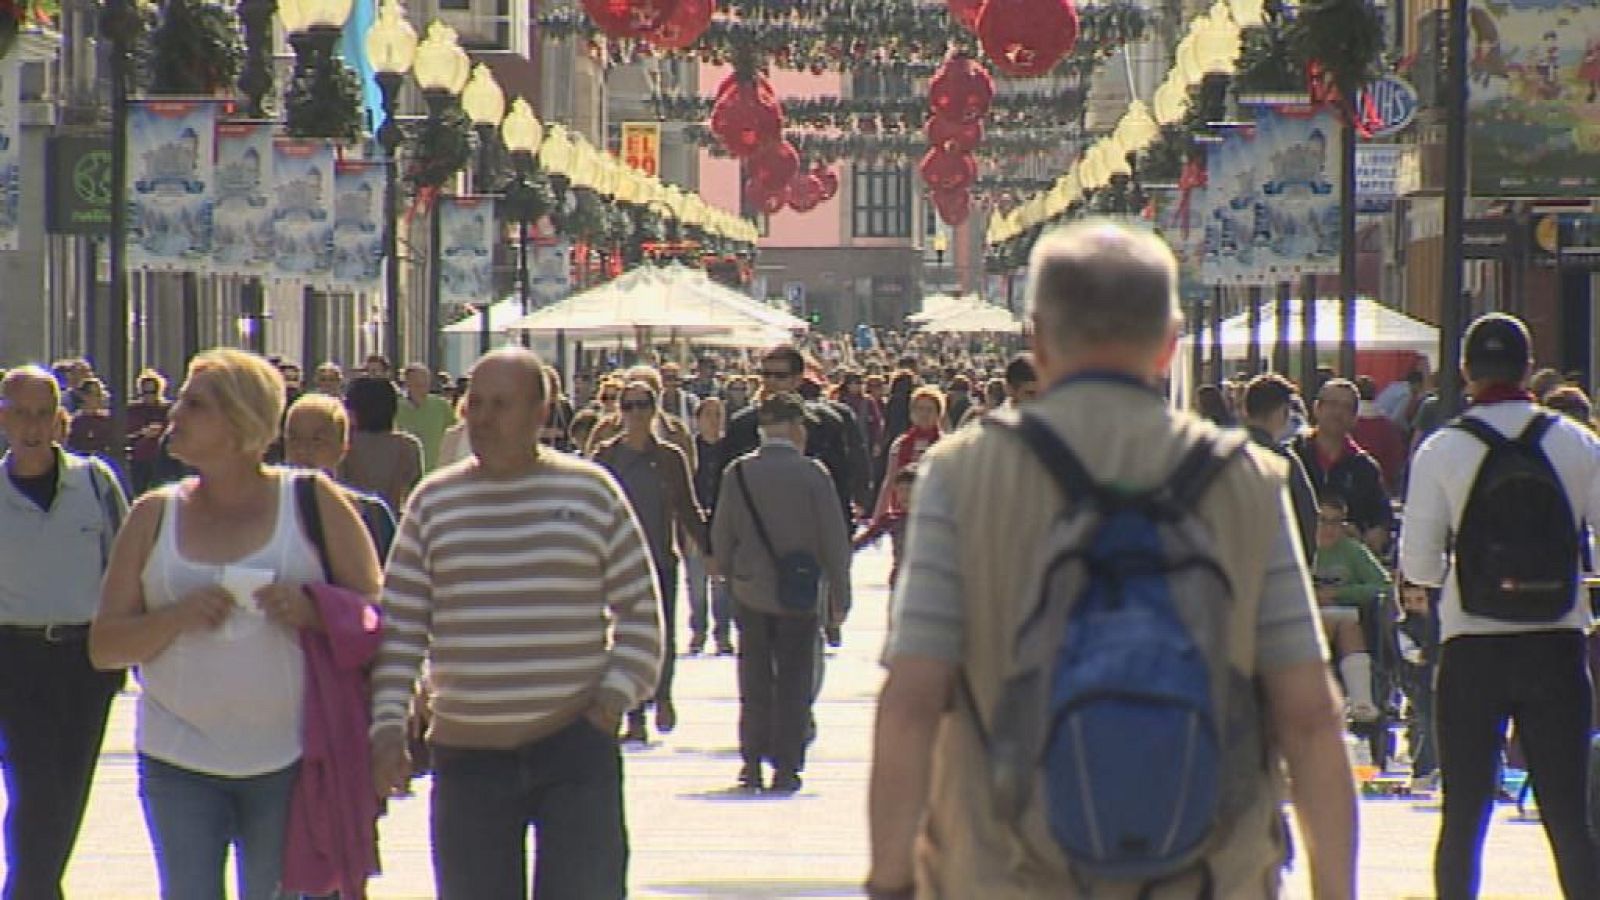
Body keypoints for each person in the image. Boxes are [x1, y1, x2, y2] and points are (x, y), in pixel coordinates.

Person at [867, 220, 1355, 899]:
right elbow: (1309, 717)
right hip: (1211, 878)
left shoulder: (962, 474)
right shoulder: (1245, 480)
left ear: (1037, 338)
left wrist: (890, 881)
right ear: (1171, 342)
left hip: (1001, 873)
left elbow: (913, 700)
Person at [88, 348, 381, 900]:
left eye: (195, 405)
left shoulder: (311, 501)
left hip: (290, 758)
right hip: (177, 757)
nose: (175, 413)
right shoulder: (153, 514)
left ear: (242, 421)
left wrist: (315, 611)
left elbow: (375, 609)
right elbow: (104, 646)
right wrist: (176, 617)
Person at [369, 347, 663, 899]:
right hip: (469, 758)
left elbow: (642, 617)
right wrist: (388, 727)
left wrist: (609, 703)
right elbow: (401, 630)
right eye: (475, 403)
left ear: (539, 412)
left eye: (500, 405)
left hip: (573, 748)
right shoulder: (434, 503)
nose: (482, 418)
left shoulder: (590, 492)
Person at [1401, 313, 1600, 899]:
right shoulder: (1576, 443)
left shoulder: (1442, 449)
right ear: (1529, 368)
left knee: (1463, 817)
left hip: (1472, 648)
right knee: (1569, 820)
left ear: (1466, 371)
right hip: (1556, 642)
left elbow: (1419, 566)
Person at [0, 366, 129, 900]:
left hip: (83, 660)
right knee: (37, 791)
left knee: (68, 793)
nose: (32, 427)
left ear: (60, 421)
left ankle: (32, 888)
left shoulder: (95, 484)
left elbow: (125, 568)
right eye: (20, 414)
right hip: (14, 660)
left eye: (43, 415)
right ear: (3, 419)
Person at [711, 392, 851, 794]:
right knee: (794, 679)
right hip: (799, 593)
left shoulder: (738, 473)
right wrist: (840, 595)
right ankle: (787, 765)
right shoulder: (813, 475)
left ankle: (752, 759)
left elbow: (722, 534)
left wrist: (728, 573)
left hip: (751, 590)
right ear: (793, 427)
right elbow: (834, 539)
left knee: (753, 677)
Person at [593, 380, 708, 744]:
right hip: (618, 562)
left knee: (662, 634)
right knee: (624, 635)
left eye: (643, 405)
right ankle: (635, 713)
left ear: (655, 410)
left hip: (660, 558)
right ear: (619, 412)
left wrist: (710, 551)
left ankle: (662, 694)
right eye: (628, 406)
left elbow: (687, 507)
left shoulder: (670, 457)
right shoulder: (606, 458)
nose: (636, 414)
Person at [283, 393, 399, 560]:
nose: (302, 450)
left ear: (343, 446)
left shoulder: (372, 515)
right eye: (294, 439)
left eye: (317, 440)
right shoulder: (264, 512)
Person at [1291, 378, 1394, 556]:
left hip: (1345, 563)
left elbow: (1382, 518)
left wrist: (1376, 533)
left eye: (1346, 407)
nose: (1338, 412)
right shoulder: (1293, 456)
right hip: (1296, 557)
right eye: (1332, 404)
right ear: (1317, 408)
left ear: (1355, 418)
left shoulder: (1365, 468)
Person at [1312, 496, 1389, 722]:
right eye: (1322, 520)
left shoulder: (1352, 551)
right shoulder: (1298, 548)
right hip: (1304, 619)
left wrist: (1339, 594)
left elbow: (1383, 586)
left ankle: (1361, 703)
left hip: (1346, 618)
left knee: (1348, 622)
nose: (1328, 528)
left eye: (1335, 522)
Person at [1243, 373, 1319, 562]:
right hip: (1275, 564)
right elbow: (1307, 519)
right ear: (1283, 412)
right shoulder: (1283, 461)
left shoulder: (1218, 455)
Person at [686, 397, 734, 656]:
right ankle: (698, 630)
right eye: (709, 415)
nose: (714, 421)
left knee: (722, 583)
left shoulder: (729, 450)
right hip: (696, 522)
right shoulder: (690, 450)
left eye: (718, 415)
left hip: (723, 521)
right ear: (698, 419)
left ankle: (722, 633)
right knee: (696, 581)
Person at [339, 375, 423, 514]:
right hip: (394, 521)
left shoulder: (343, 445)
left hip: (351, 519)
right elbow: (416, 498)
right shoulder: (409, 446)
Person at [872, 386, 944, 524]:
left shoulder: (946, 446)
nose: (924, 414)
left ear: (938, 414)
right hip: (901, 516)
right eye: (920, 409)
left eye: (929, 410)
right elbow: (890, 481)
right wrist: (878, 518)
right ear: (912, 413)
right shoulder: (900, 444)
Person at [1395, 580, 1440, 793]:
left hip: (1442, 680)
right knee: (1423, 724)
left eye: (1420, 600)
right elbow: (1411, 654)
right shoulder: (1404, 628)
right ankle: (1423, 770)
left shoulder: (1441, 623)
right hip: (1418, 683)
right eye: (1408, 601)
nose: (1413, 606)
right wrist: (1430, 655)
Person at [394, 362, 457, 473]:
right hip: (405, 472)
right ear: (407, 383)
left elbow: (455, 434)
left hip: (436, 471)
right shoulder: (395, 408)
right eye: (418, 385)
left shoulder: (441, 405)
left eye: (426, 384)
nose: (423, 389)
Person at [1352, 375, 1407, 496]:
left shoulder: (1349, 423)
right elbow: (1396, 457)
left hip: (1352, 483)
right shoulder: (1387, 425)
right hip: (1382, 485)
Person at [127, 369, 174, 496]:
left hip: (163, 459)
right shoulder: (133, 410)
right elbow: (126, 437)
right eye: (145, 392)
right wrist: (143, 433)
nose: (149, 396)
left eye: (153, 392)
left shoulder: (167, 410)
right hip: (140, 459)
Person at [65, 377, 115, 461]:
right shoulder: (75, 422)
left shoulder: (107, 420)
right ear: (84, 396)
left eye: (101, 394)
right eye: (96, 394)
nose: (100, 398)